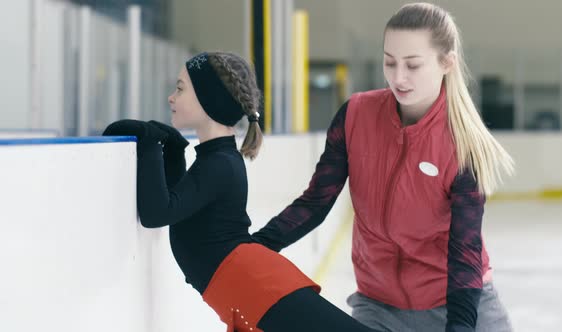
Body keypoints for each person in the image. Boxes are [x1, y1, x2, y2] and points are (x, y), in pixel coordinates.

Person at [251, 3, 515, 332]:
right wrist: (255, 248)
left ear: (446, 62)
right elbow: (315, 202)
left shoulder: (463, 145)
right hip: (378, 306)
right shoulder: (355, 116)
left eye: (412, 65)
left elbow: (465, 250)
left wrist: (460, 326)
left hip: (455, 304)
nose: (398, 77)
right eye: (389, 62)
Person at [102, 51, 380, 332]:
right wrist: (173, 151)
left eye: (181, 89)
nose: (171, 97)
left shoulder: (219, 164)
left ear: (208, 99)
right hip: (245, 284)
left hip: (253, 283)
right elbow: (176, 209)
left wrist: (150, 141)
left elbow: (156, 213)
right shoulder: (217, 160)